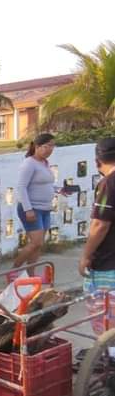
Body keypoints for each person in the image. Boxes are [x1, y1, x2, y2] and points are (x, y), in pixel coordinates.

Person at [80, 137, 115, 343]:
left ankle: (110, 361)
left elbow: (101, 224)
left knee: (106, 319)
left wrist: (85, 255)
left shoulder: (108, 184)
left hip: (108, 263)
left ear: (97, 162)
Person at [14, 133, 59, 272]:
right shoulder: (29, 163)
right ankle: (13, 270)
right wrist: (28, 209)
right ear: (37, 146)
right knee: (35, 242)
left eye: (53, 146)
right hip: (32, 208)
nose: (50, 149)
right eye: (48, 146)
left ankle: (30, 274)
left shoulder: (45, 163)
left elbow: (45, 184)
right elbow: (21, 187)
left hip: (45, 208)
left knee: (39, 245)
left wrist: (60, 190)